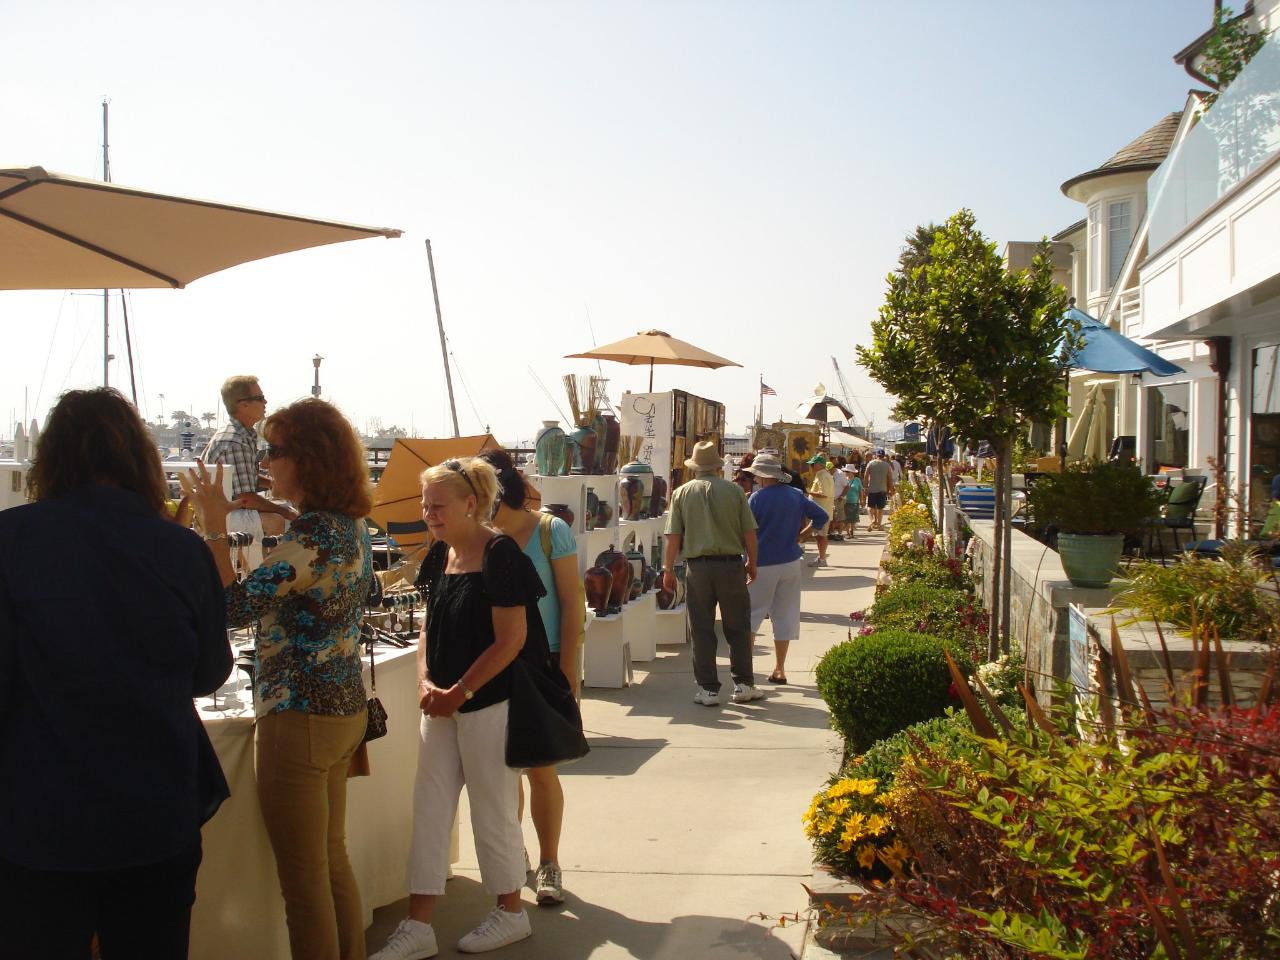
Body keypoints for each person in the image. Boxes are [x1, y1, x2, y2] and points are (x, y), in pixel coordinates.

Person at [0, 388, 232, 958]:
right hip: (156, 808)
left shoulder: (11, 541)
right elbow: (210, 672)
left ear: (50, 459)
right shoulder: (181, 549)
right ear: (139, 459)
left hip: (41, 815)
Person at [187, 397, 373, 960]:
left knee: (304, 882)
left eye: (275, 451)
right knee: (331, 861)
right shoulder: (351, 528)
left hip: (301, 717)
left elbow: (234, 607)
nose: (267, 462)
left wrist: (216, 529)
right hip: (343, 711)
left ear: (307, 459)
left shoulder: (315, 535)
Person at [372, 456, 545, 959]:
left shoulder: (501, 555)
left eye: (438, 505)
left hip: (487, 703)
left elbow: (512, 640)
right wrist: (426, 680)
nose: (430, 514)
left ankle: (511, 913)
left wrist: (460, 692)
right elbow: (429, 627)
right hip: (442, 706)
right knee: (429, 810)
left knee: (493, 810)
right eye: (426, 506)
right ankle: (418, 925)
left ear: (472, 504)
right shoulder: (439, 556)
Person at [478, 448, 580, 907]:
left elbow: (572, 603)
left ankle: (550, 862)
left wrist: (569, 670)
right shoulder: (477, 537)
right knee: (504, 771)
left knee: (541, 767)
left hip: (543, 660)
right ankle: (516, 856)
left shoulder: (547, 529)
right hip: (495, 660)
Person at [663, 440, 761, 706]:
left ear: (695, 467)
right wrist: (752, 562)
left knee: (702, 629)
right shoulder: (735, 491)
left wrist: (668, 568)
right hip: (730, 566)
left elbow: (673, 536)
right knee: (738, 626)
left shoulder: (681, 493)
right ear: (718, 466)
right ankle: (743, 684)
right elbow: (749, 532)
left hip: (698, 569)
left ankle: (708, 689)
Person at [745, 452, 829, 684]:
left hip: (762, 562)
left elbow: (747, 532)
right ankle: (780, 668)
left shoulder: (756, 499)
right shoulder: (795, 495)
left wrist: (746, 559)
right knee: (785, 615)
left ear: (761, 477)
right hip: (790, 561)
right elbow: (821, 516)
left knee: (752, 615)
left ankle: (747, 670)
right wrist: (802, 536)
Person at [202, 375, 297, 571]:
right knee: (277, 520)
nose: (265, 402)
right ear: (243, 405)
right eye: (259, 398)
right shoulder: (235, 441)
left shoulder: (241, 435)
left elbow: (246, 481)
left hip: (225, 508)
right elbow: (245, 497)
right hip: (222, 515)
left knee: (286, 511)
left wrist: (274, 485)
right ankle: (263, 575)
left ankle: (268, 572)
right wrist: (284, 512)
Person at [805, 453, 834, 567]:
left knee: (821, 536)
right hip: (819, 512)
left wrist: (809, 492)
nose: (811, 466)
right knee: (819, 536)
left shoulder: (823, 475)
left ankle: (822, 559)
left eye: (812, 464)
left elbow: (824, 494)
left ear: (818, 465)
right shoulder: (821, 474)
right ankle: (821, 558)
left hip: (822, 511)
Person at [864, 449, 895, 532]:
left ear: (876, 455)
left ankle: (872, 520)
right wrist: (890, 490)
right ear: (884, 456)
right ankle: (879, 524)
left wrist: (865, 487)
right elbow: (890, 479)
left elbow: (866, 476)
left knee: (870, 507)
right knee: (880, 508)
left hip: (872, 489)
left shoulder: (870, 463)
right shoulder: (887, 465)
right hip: (882, 489)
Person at [830, 457, 849, 540]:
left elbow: (847, 486)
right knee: (832, 517)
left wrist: (841, 496)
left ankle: (840, 534)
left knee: (839, 517)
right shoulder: (827, 473)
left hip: (839, 498)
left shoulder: (840, 473)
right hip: (830, 499)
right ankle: (831, 533)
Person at [842, 465, 864, 534]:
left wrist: (862, 500)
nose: (846, 472)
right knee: (846, 518)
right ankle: (848, 532)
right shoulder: (844, 479)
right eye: (845, 471)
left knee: (853, 518)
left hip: (854, 501)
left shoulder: (857, 480)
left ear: (852, 472)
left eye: (847, 471)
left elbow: (860, 491)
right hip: (845, 501)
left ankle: (852, 530)